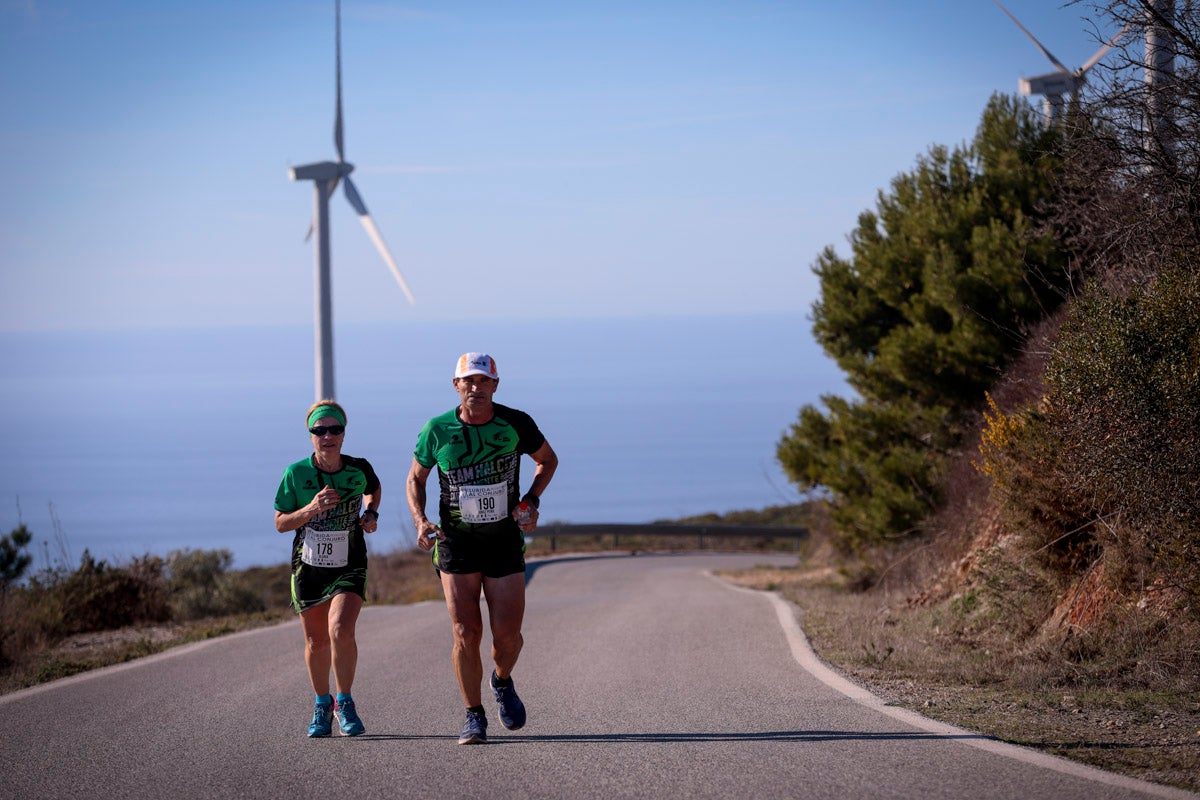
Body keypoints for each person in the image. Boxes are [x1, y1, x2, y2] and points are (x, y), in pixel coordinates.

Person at [407, 353, 558, 745]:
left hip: (503, 541)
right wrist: (421, 521)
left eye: (483, 381)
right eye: (467, 381)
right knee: (464, 631)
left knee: (507, 637)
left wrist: (531, 501)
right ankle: (473, 715)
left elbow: (547, 460)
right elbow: (415, 478)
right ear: (456, 386)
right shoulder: (436, 430)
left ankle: (501, 680)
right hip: (456, 543)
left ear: (495, 384)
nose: (475, 388)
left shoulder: (516, 423)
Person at [274, 399, 381, 738]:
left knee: (341, 630)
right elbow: (280, 522)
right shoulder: (297, 474)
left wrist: (371, 514)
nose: (328, 435)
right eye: (320, 430)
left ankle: (345, 702)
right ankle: (322, 703)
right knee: (317, 642)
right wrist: (310, 508)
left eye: (335, 429)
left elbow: (374, 489)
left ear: (344, 434)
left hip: (349, 564)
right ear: (311, 436)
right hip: (308, 568)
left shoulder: (357, 468)